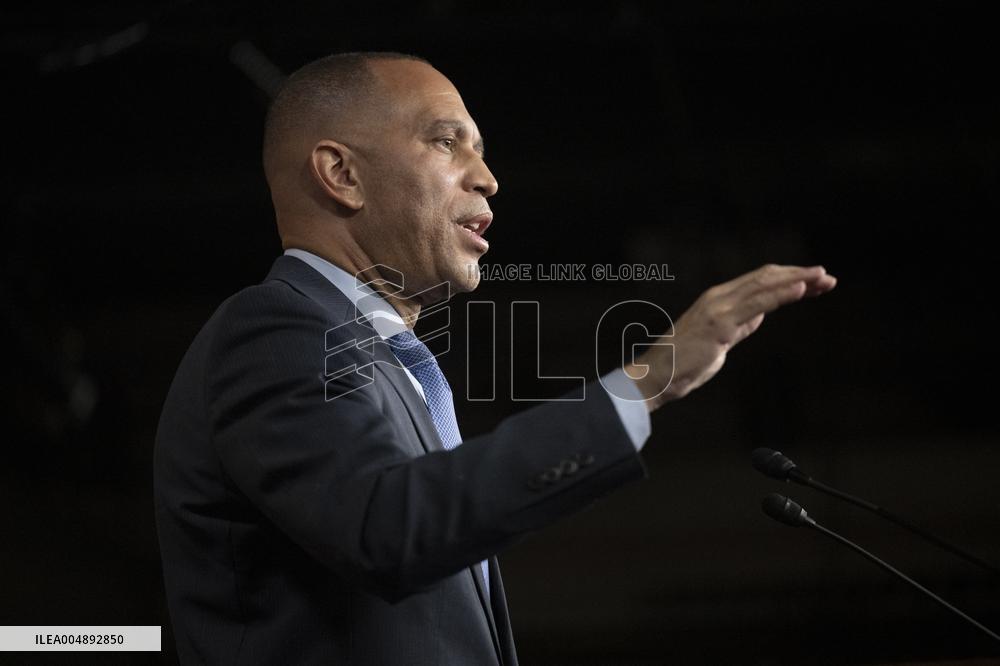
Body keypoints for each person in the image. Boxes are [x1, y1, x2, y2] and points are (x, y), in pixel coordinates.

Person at [153, 51, 836, 665]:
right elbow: (387, 528)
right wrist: (643, 383)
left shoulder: (387, 363)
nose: (488, 179)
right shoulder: (275, 329)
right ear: (341, 174)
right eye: (447, 142)